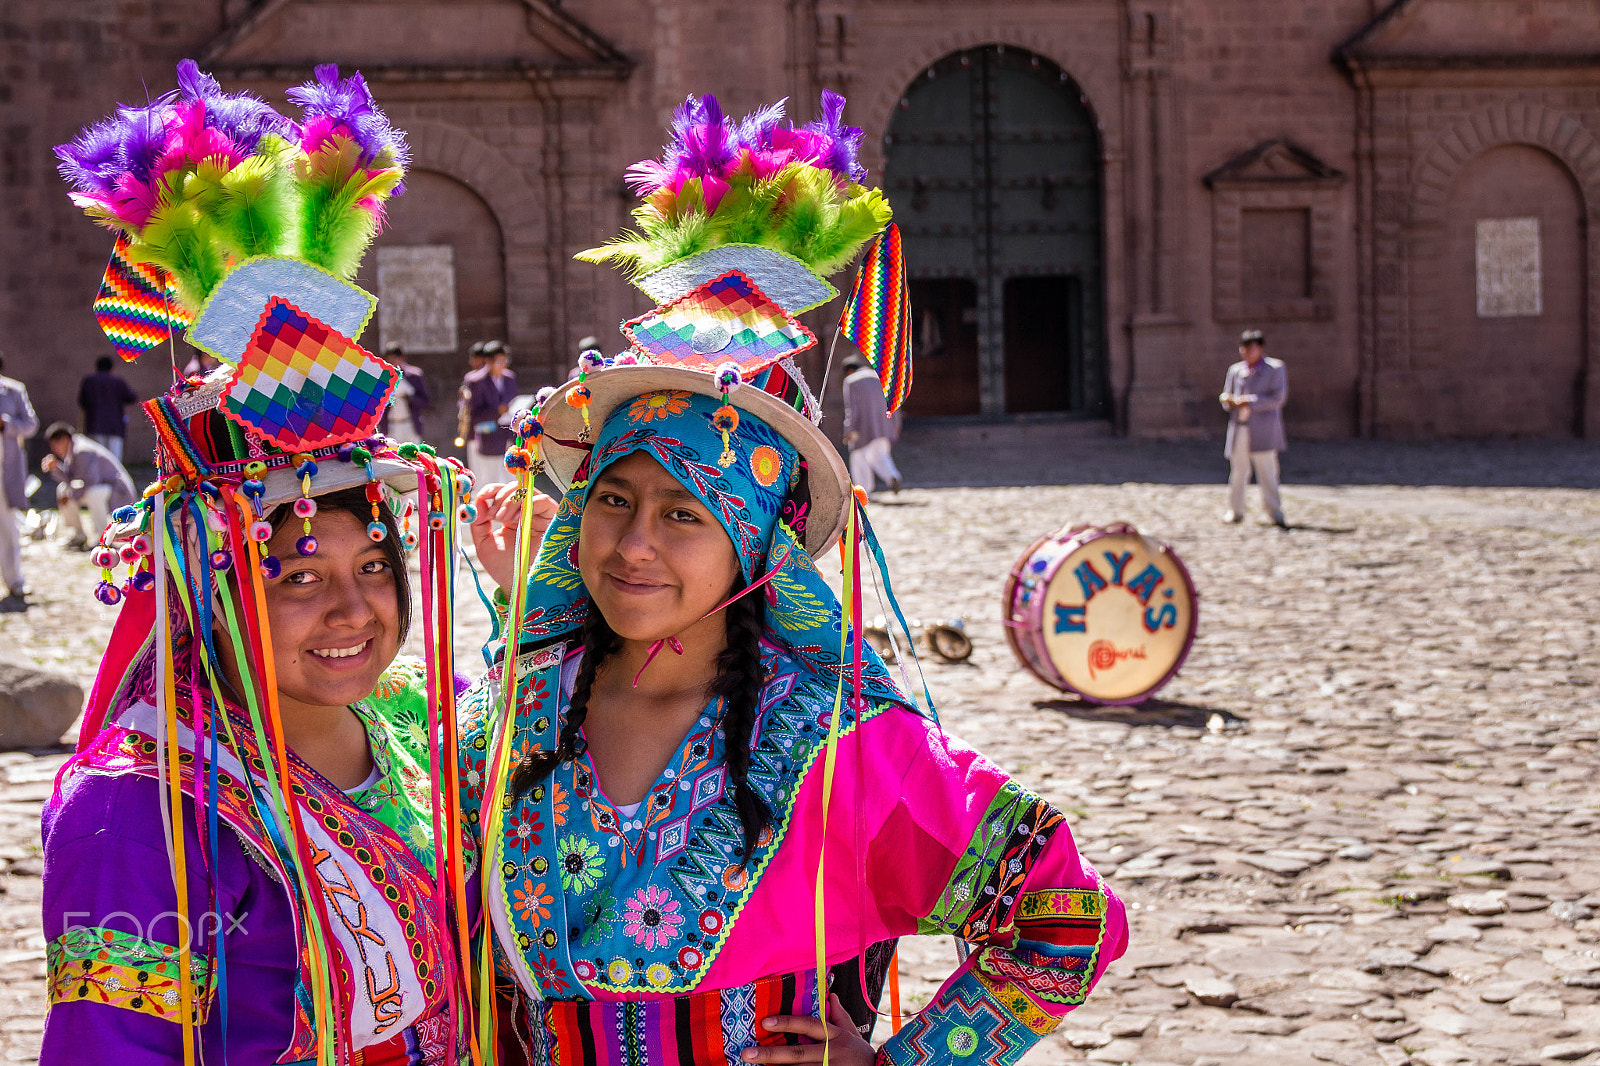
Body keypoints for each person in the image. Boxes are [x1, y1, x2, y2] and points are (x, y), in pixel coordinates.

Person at [457, 89, 1126, 1066]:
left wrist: (909, 1059)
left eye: (685, 513)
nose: (634, 542)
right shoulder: (503, 722)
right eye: (612, 499)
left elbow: (1062, 915)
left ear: (754, 540)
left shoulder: (837, 745)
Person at [45, 58, 477, 1062]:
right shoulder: (139, 808)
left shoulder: (411, 726)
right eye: (295, 575)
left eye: (374, 565)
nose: (354, 610)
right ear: (203, 583)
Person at [1220, 328, 1288, 526]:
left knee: (1267, 470)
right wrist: (1229, 400)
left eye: (1251, 348)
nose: (1247, 353)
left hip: (1263, 428)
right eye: (1244, 349)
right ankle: (1235, 510)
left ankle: (1274, 511)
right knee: (1238, 471)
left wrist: (1248, 401)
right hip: (1240, 426)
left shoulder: (1275, 369)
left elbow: (1277, 398)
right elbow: (1227, 395)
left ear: (1261, 348)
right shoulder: (1235, 370)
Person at [41, 422, 136, 549]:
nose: (53, 450)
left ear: (63, 439)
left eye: (54, 445)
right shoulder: (72, 450)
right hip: (100, 487)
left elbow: (92, 481)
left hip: (116, 489)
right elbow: (69, 480)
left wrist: (72, 495)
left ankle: (103, 537)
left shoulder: (82, 450)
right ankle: (78, 536)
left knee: (93, 493)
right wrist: (55, 468)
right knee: (63, 490)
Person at [0, 353, 37, 601]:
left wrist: (6, 424)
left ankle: (15, 581)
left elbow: (31, 424)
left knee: (8, 528)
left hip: (5, 471)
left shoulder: (13, 390)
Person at [842, 352, 903, 495]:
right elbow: (894, 402)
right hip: (884, 424)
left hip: (862, 427)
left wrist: (848, 430)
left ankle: (863, 490)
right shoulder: (880, 377)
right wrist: (896, 423)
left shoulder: (851, 380)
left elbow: (852, 409)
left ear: (849, 370)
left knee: (859, 457)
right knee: (881, 454)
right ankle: (892, 476)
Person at [463, 339, 517, 487]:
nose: (502, 366)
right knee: (490, 482)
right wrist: (496, 412)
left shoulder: (510, 378)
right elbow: (473, 413)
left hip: (508, 436)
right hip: (488, 437)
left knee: (511, 482)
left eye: (504, 361)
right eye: (498, 362)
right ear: (489, 362)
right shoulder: (476, 381)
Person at [77, 356, 139, 462]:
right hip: (115, 426)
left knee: (96, 459)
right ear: (111, 367)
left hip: (95, 424)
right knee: (114, 461)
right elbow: (132, 397)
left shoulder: (89, 381)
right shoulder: (118, 382)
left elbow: (82, 402)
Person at [380, 341, 433, 443]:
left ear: (402, 358)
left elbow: (425, 402)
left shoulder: (414, 375)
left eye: (395, 359)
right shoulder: (383, 377)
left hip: (410, 424)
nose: (392, 363)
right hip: (389, 425)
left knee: (412, 455)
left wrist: (409, 397)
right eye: (389, 360)